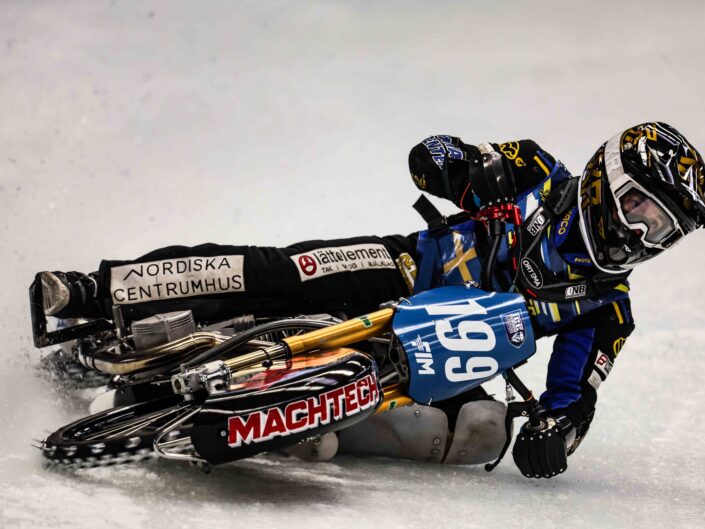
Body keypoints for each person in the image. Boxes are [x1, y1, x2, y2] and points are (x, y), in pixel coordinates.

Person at [34, 122, 705, 478]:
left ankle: (293, 421)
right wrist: (458, 164)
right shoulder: (536, 172)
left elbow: (573, 398)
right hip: (403, 270)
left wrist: (555, 434)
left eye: (662, 230)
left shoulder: (607, 307)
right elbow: (436, 154)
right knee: (281, 271)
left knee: (479, 432)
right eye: (639, 208)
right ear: (604, 180)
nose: (640, 234)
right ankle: (97, 291)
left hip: (441, 359)